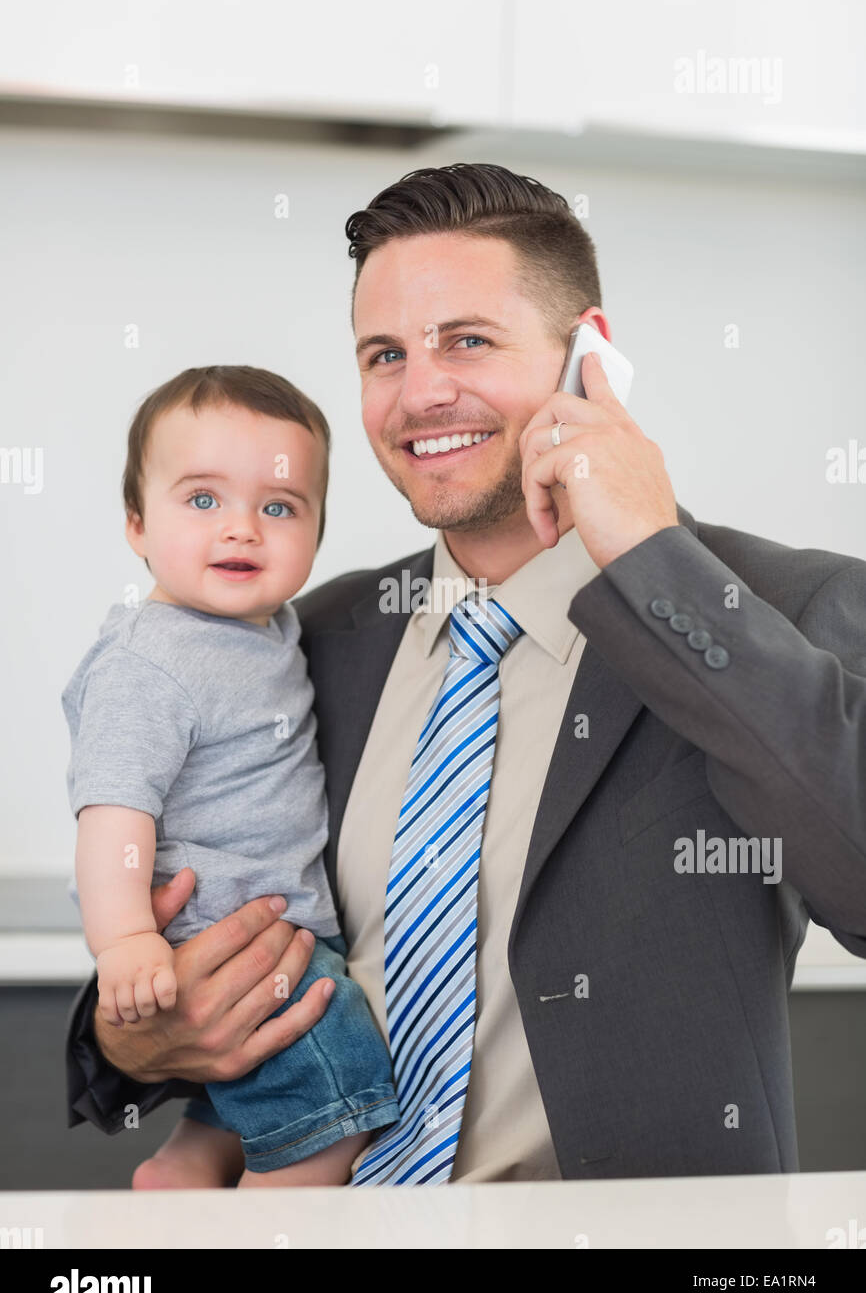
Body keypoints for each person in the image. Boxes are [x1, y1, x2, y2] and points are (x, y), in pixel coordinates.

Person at [65, 163, 866, 1185]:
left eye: (467, 341)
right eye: (384, 354)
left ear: (588, 358)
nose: (420, 391)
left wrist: (650, 556)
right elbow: (168, 933)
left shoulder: (771, 612)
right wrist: (140, 1037)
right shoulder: (305, 639)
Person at [61, 365, 399, 1188]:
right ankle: (263, 1228)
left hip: (272, 924)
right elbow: (113, 816)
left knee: (254, 1083)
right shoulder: (152, 659)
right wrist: (128, 940)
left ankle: (183, 1170)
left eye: (279, 507)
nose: (242, 529)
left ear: (316, 535)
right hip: (230, 936)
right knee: (334, 1114)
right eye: (203, 500)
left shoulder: (267, 627)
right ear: (137, 524)